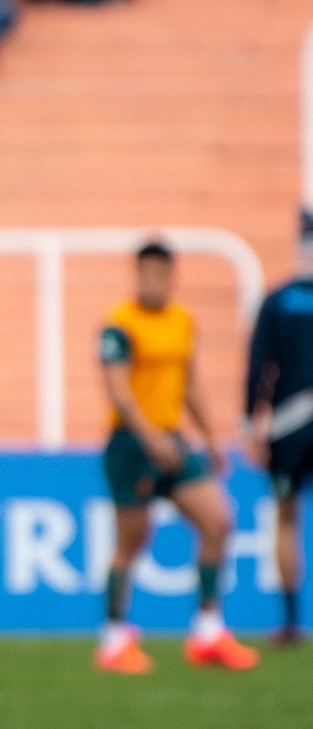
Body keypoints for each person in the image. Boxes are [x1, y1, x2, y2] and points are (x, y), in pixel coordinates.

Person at [95, 239, 257, 674]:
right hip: (132, 443)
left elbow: (190, 384)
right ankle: (113, 639)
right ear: (137, 275)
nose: (153, 282)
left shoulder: (183, 322)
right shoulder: (118, 326)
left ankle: (207, 630)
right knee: (132, 541)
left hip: (173, 438)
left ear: (172, 276)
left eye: (160, 274)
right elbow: (118, 390)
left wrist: (212, 439)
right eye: (145, 274)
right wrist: (150, 438)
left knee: (218, 521)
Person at [242, 212, 313, 646]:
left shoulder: (278, 300)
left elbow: (258, 369)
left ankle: (291, 622)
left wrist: (252, 422)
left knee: (286, 519)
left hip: (289, 426)